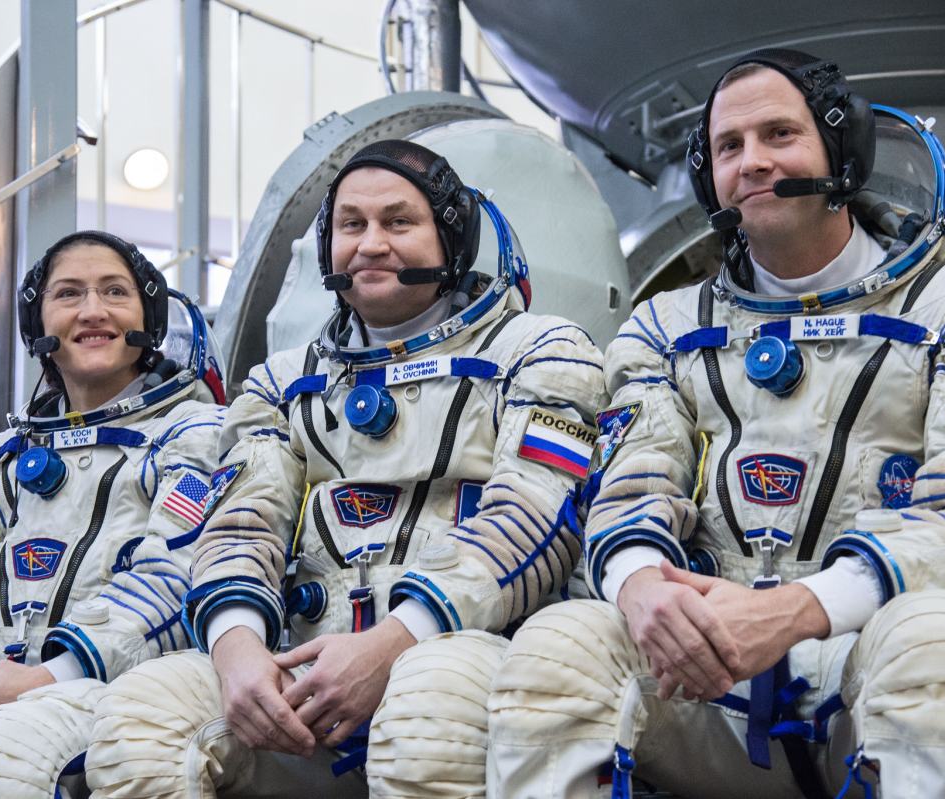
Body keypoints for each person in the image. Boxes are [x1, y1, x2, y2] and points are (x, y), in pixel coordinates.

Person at [485, 49, 945, 798]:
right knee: (561, 646)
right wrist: (641, 587)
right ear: (709, 176)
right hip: (706, 676)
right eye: (729, 146)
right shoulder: (664, 329)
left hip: (881, 662)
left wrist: (795, 610)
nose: (752, 161)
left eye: (780, 135)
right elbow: (630, 493)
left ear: (842, 149)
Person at [81, 140, 607, 798]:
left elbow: (535, 516)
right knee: (144, 718)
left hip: (466, 656)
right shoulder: (281, 384)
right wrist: (238, 649)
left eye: (399, 222)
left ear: (453, 237)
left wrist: (393, 643)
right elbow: (242, 528)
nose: (372, 244)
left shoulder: (543, 350)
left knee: (426, 717)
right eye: (351, 225)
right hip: (302, 669)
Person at [0, 230, 226, 799]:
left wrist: (46, 676)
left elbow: (173, 580)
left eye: (115, 292)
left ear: (148, 319)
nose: (93, 311)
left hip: (119, 690)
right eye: (68, 294)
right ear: (39, 325)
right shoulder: (2, 460)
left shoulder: (197, 437)